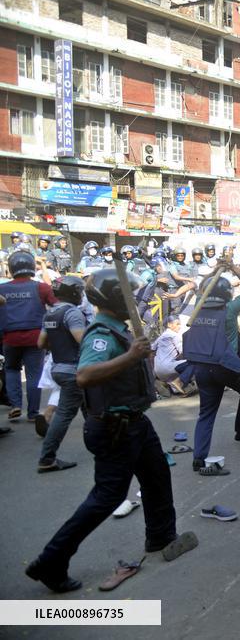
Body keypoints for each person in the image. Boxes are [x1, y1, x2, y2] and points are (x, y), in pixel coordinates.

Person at [25, 268, 197, 594]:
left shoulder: (118, 328)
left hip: (133, 421)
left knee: (157, 474)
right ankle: (51, 560)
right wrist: (132, 355)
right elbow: (85, 375)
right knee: (108, 495)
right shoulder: (100, 333)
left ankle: (161, 535)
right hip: (114, 427)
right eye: (129, 296)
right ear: (116, 299)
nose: (135, 301)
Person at [180, 261, 240, 474]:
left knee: (206, 413)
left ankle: (199, 458)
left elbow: (203, 286)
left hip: (202, 366)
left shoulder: (198, 305)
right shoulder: (231, 309)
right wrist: (233, 268)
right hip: (226, 365)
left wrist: (216, 271)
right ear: (226, 294)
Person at [36, 275, 88, 473]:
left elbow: (41, 343)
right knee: (64, 415)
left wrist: (59, 342)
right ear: (73, 292)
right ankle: (47, 458)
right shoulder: (72, 313)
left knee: (89, 407)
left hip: (58, 367)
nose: (81, 294)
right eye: (79, 291)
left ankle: (104, 445)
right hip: (72, 369)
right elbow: (82, 341)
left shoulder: (50, 314)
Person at [0, 250, 57, 423]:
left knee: (11, 370)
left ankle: (16, 405)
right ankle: (33, 413)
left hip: (9, 338)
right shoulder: (41, 287)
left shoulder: (2, 288)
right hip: (36, 338)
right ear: (32, 266)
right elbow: (56, 305)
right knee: (34, 374)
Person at [152, 315, 188, 395]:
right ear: (169, 325)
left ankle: (167, 384)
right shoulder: (174, 335)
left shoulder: (161, 336)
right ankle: (178, 382)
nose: (179, 326)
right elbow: (183, 351)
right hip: (168, 368)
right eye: (177, 324)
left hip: (157, 371)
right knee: (194, 363)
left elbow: (152, 349)